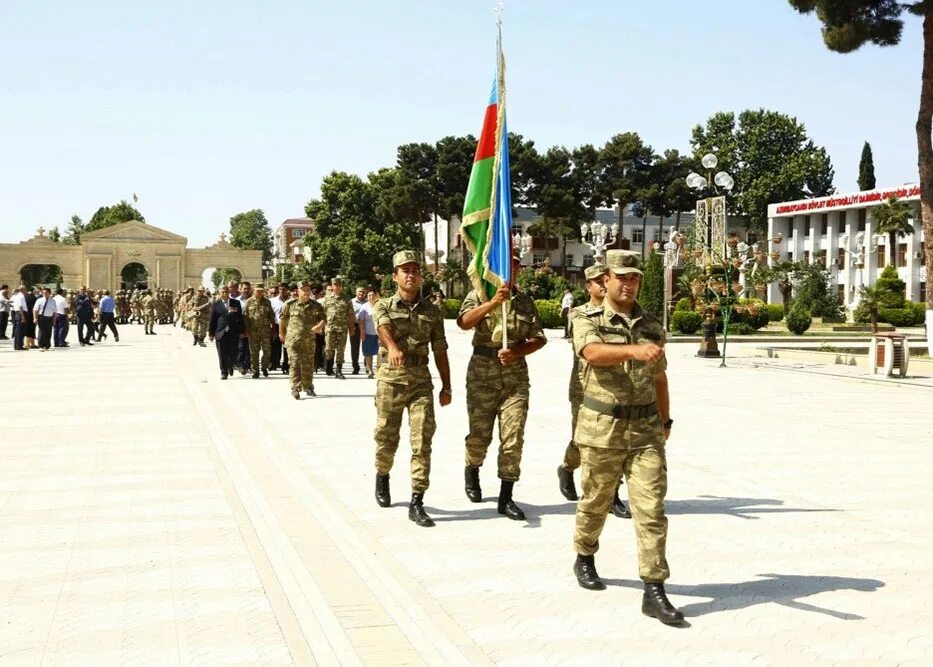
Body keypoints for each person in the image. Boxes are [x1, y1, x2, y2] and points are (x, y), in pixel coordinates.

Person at [570, 249, 682, 625]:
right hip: (602, 429)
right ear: (606, 280)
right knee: (595, 501)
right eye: (622, 277)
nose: (629, 283)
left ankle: (654, 588)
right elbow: (592, 352)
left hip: (646, 431)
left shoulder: (651, 324)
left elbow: (661, 376)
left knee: (651, 509)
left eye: (635, 277)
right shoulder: (586, 317)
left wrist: (665, 423)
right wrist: (633, 349)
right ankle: (584, 554)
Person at [458, 255, 547, 521]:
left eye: (516, 265)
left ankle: (506, 496)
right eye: (507, 263)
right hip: (482, 375)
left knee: (513, 437)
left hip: (515, 379)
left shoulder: (525, 302)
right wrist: (492, 303)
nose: (512, 270)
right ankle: (472, 467)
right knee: (479, 436)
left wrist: (519, 351)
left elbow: (539, 338)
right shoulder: (478, 293)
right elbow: (463, 322)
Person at [372, 250, 451, 527]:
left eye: (415, 270)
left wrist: (447, 386)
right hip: (391, 380)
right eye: (404, 270)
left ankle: (417, 500)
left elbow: (440, 349)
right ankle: (382, 475)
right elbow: (382, 328)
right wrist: (392, 347)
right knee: (386, 437)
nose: (410, 274)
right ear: (395, 276)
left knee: (422, 441)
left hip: (421, 382)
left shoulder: (432, 311)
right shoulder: (383, 305)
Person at [557, 264, 631, 519]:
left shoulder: (623, 313)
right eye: (598, 281)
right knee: (583, 441)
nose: (603, 284)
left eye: (605, 279)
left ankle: (612, 494)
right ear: (588, 287)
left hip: (618, 389)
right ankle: (567, 467)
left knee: (616, 441)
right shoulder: (579, 315)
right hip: (585, 388)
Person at [279, 282, 326, 399]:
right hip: (293, 340)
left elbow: (323, 319)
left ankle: (309, 387)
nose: (305, 292)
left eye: (307, 290)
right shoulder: (289, 305)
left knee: (308, 364)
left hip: (309, 340)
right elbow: (283, 320)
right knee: (294, 364)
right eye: (303, 290)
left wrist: (319, 326)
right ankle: (295, 388)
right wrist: (281, 334)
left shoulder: (316, 305)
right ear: (298, 291)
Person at [209, 285, 244, 380]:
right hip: (220, 333)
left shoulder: (235, 303)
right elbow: (212, 320)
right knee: (222, 354)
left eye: (226, 292)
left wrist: (242, 331)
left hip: (233, 332)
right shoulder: (216, 304)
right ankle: (224, 372)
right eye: (222, 292)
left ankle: (230, 365)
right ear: (219, 293)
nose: (224, 294)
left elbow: (240, 318)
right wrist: (211, 334)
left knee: (234, 352)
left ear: (229, 293)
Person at [323, 277, 356, 378]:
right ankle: (328, 367)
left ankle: (338, 370)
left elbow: (350, 315)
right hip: (330, 328)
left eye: (339, 285)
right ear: (332, 286)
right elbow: (322, 314)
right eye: (335, 285)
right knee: (328, 349)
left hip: (342, 328)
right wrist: (322, 326)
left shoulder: (346, 299)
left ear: (341, 286)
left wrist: (351, 328)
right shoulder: (326, 298)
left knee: (341, 350)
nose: (337, 287)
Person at [245, 285, 275, 378]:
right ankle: (255, 370)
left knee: (267, 351)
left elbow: (271, 315)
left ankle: (264, 367)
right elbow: (245, 316)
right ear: (254, 291)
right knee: (254, 352)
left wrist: (273, 327)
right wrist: (246, 329)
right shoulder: (249, 302)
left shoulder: (267, 302)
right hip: (253, 331)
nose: (259, 293)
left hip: (265, 330)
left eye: (261, 291)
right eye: (257, 291)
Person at [356, 289, 379, 378]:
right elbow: (361, 321)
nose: (371, 297)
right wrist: (362, 332)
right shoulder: (364, 306)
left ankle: (379, 370)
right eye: (369, 295)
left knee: (380, 353)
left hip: (380, 333)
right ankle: (370, 371)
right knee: (368, 353)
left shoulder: (380, 305)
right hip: (368, 333)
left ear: (376, 296)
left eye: (373, 295)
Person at [349, 285, 367, 374]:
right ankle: (355, 367)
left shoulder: (368, 302)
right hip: (355, 326)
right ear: (356, 293)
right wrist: (350, 327)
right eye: (359, 291)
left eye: (363, 291)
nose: (361, 293)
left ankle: (367, 365)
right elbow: (348, 315)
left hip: (366, 326)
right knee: (354, 347)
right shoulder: (351, 302)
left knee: (366, 346)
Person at [11, 285, 29, 350]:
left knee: (17, 331)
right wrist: (23, 317)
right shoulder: (21, 296)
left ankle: (17, 345)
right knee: (20, 331)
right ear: (22, 290)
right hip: (21, 313)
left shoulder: (16, 296)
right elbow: (21, 307)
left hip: (17, 313)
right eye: (25, 289)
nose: (26, 291)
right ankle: (19, 346)